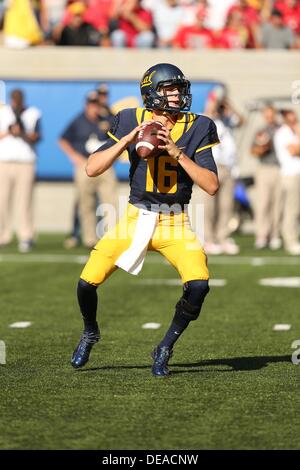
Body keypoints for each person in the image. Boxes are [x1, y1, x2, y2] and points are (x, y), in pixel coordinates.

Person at [70, 63, 220, 377]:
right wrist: (126, 141)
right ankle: (90, 331)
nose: (177, 95)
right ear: (151, 94)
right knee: (86, 283)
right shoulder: (129, 118)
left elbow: (211, 185)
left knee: (199, 285)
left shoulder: (199, 125)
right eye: (169, 89)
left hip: (175, 222)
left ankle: (165, 346)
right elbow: (92, 168)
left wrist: (177, 152)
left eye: (179, 89)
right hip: (135, 218)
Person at [58, 89, 118, 248]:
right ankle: (89, 238)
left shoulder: (107, 119)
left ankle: (111, 236)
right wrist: (74, 157)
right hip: (84, 165)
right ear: (86, 104)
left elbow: (119, 138)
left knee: (110, 202)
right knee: (86, 203)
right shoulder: (79, 120)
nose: (94, 107)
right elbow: (63, 139)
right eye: (91, 103)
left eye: (97, 103)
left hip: (104, 166)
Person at [0, 89, 41, 252]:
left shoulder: (33, 113)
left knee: (24, 201)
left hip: (25, 161)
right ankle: (3, 235)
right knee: (2, 200)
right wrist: (10, 131)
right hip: (4, 160)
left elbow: (37, 136)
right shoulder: (2, 112)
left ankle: (26, 236)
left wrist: (22, 132)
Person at [251, 104, 281, 250]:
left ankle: (275, 235)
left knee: (277, 204)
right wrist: (262, 147)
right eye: (267, 115)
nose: (269, 118)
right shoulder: (261, 131)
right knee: (263, 204)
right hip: (264, 169)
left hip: (279, 169)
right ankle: (262, 235)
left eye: (271, 114)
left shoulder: (282, 129)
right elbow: (253, 151)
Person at [274, 110, 300, 255]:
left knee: (294, 209)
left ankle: (290, 238)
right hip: (290, 175)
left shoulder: (292, 132)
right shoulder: (283, 133)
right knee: (291, 209)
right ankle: (290, 240)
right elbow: (294, 151)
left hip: (295, 174)